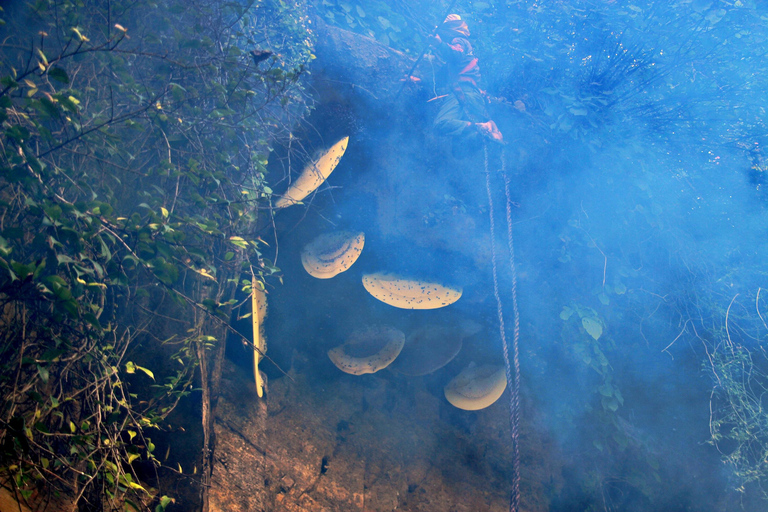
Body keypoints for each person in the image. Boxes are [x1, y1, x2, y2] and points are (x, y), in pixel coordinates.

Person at [431, 14, 503, 147]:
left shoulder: (459, 41)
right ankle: (488, 128)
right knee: (459, 150)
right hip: (474, 96)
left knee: (441, 124)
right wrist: (419, 80)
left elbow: (455, 54)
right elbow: (439, 77)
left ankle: (482, 126)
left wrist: (439, 44)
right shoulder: (461, 57)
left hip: (463, 92)